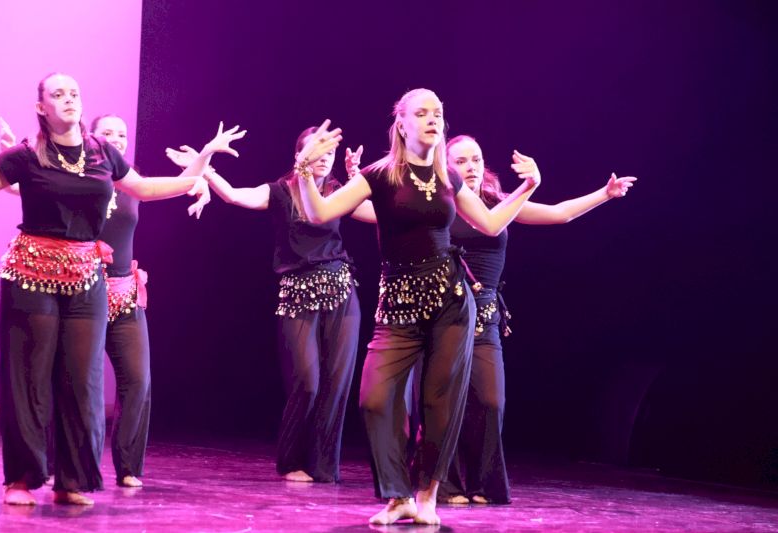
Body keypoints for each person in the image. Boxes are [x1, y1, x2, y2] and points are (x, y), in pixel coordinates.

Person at [0, 72, 242, 505]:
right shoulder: (25, 155)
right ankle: (22, 479)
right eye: (58, 94)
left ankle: (73, 481)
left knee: (82, 379)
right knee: (30, 376)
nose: (69, 98)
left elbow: (145, 188)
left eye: (74, 92)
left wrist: (201, 167)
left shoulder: (102, 153)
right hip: (32, 273)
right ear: (42, 107)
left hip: (87, 276)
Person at [293, 88, 541, 525]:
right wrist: (304, 171)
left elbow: (490, 223)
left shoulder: (449, 178)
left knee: (439, 404)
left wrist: (528, 186)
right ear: (402, 124)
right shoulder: (379, 175)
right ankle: (397, 495)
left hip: (451, 302)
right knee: (375, 399)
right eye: (422, 113)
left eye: (438, 113)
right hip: (399, 303)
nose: (432, 119)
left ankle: (426, 497)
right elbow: (319, 213)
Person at [165, 128, 372, 483]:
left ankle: (324, 467)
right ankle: (292, 461)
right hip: (297, 292)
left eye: (330, 152)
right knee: (307, 381)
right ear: (299, 155)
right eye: (317, 150)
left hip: (341, 290)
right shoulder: (279, 192)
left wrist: (357, 177)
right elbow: (234, 196)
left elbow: (378, 214)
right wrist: (205, 163)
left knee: (337, 384)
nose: (325, 157)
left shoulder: (337, 192)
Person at [441, 134, 637, 504]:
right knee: (445, 402)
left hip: (485, 315)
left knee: (491, 401)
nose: (471, 167)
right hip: (444, 315)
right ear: (446, 167)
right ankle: (445, 485)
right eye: (461, 161)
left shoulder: (500, 204)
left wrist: (605, 194)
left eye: (476, 159)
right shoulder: (437, 206)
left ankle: (483, 484)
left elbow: (559, 213)